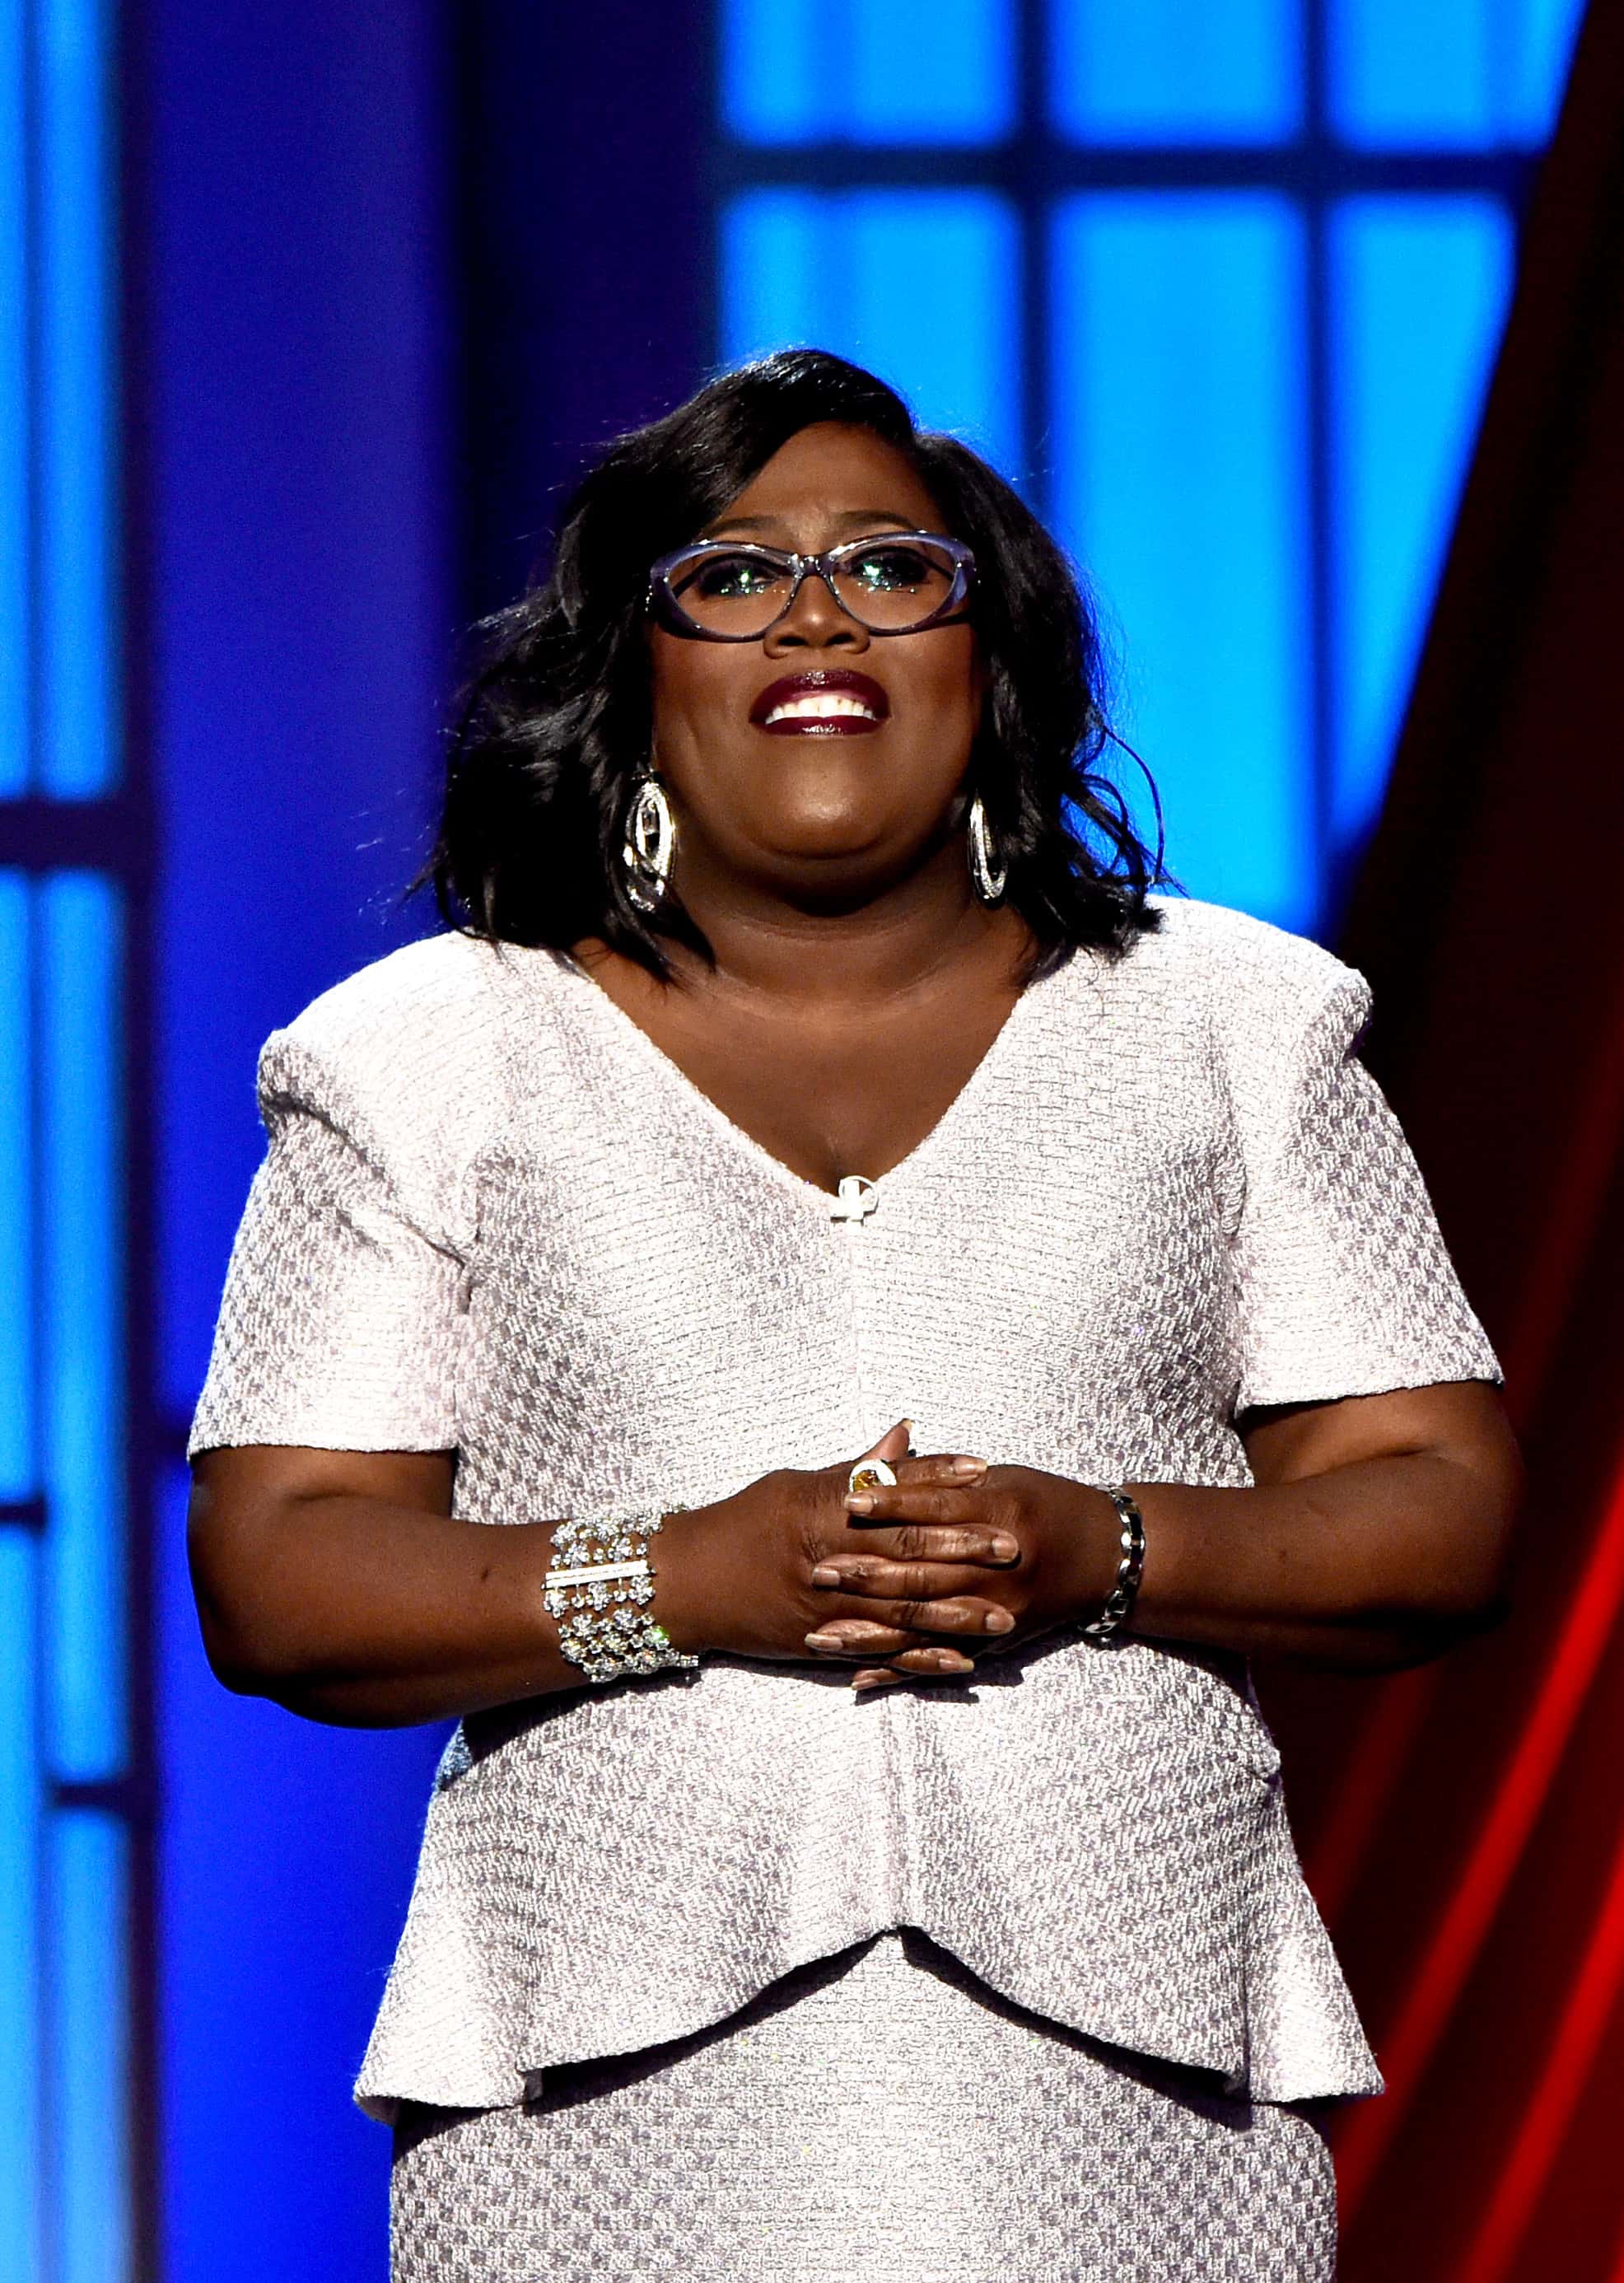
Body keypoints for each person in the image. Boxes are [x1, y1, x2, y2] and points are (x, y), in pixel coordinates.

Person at [186, 348, 1521, 2282]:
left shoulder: (1234, 1029)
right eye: (730, 576)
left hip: (1139, 2085)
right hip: (594, 2097)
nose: (815, 616)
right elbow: (278, 1566)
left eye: (890, 568)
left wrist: (1099, 1550)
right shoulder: (421, 1057)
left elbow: (1438, 1501)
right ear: (632, 674)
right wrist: (686, 1579)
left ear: (989, 657)